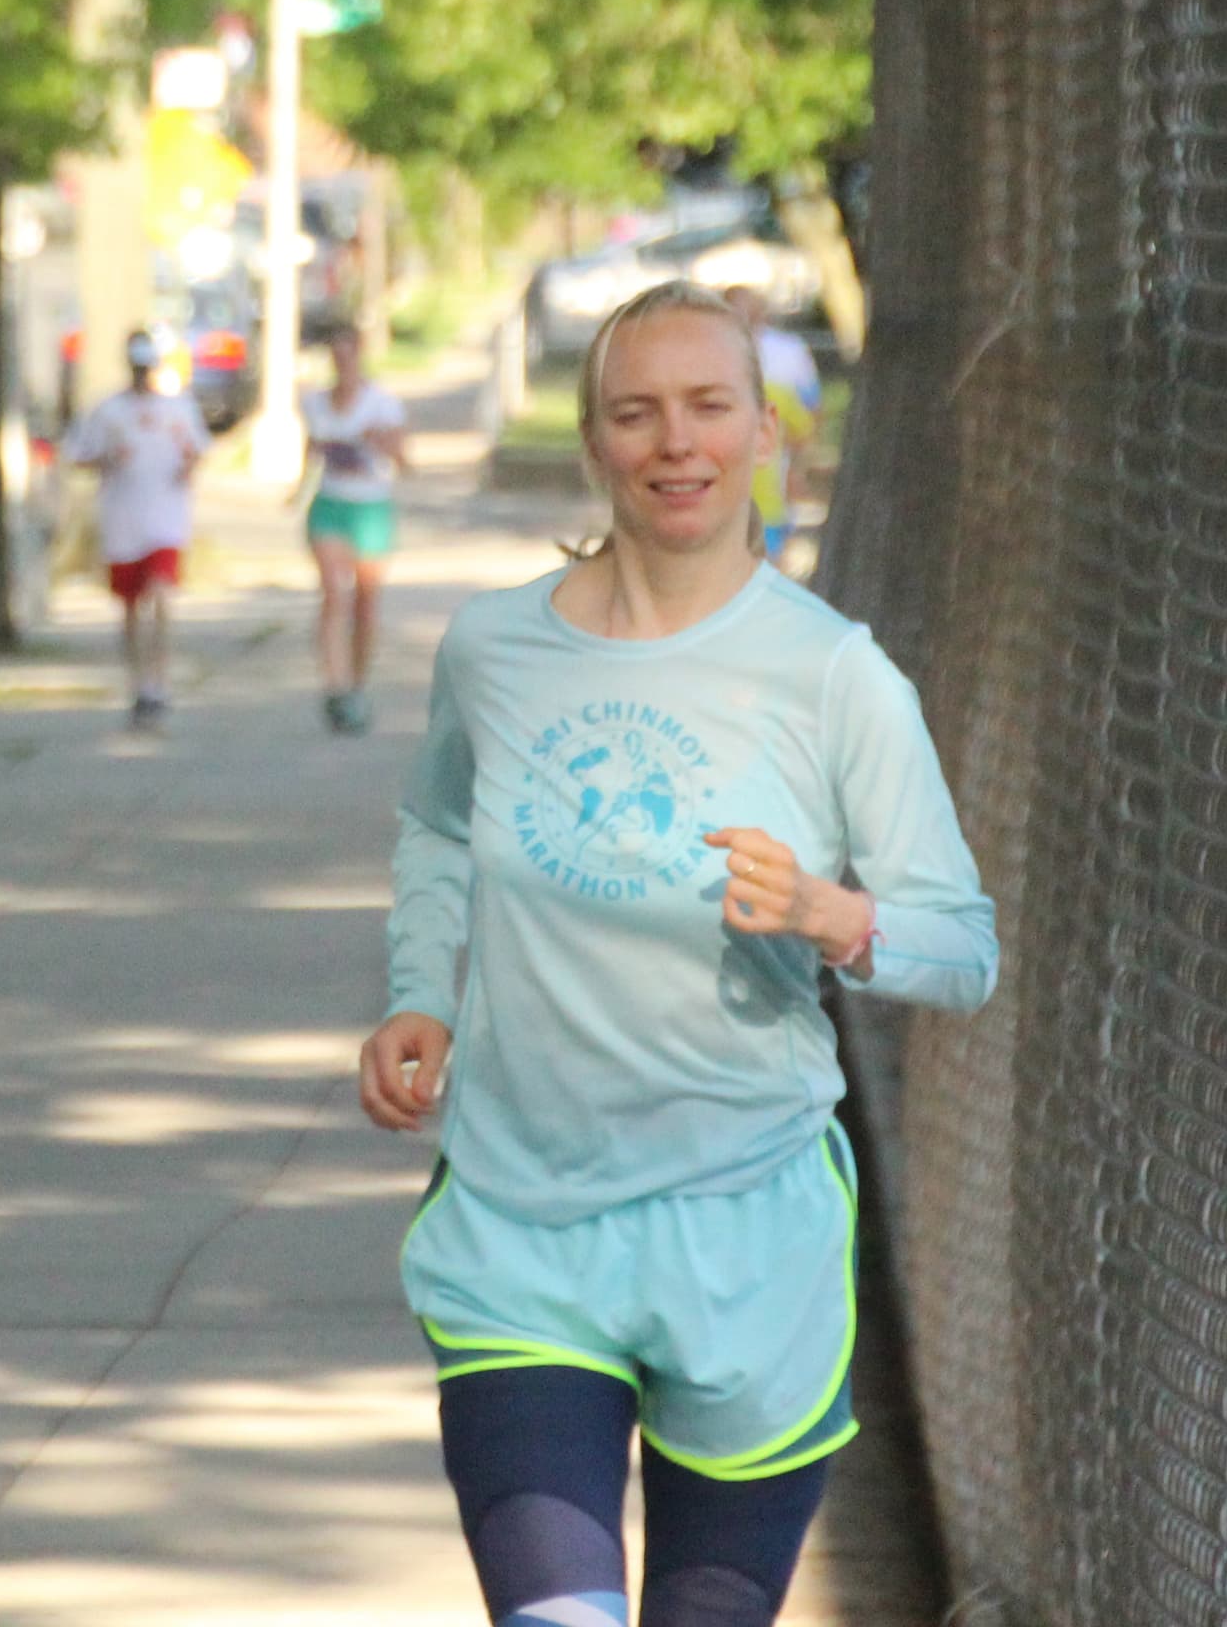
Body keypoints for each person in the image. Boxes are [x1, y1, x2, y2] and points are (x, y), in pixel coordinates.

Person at [357, 278, 994, 1627]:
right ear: (595, 444)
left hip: (746, 1234)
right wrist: (424, 993)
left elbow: (963, 948)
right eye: (636, 413)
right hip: (526, 1228)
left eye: (709, 407)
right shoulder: (495, 649)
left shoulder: (835, 676)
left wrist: (834, 915)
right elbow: (434, 825)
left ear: (767, 432)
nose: (675, 442)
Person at [65, 329, 208, 729]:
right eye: (137, 367)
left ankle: (159, 684)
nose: (143, 375)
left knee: (161, 595)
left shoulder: (178, 409)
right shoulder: (109, 412)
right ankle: (138, 685)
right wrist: (109, 458)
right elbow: (78, 454)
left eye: (148, 367)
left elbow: (199, 450)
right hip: (123, 519)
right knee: (130, 607)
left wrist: (188, 466)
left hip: (166, 518)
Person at [300, 321, 409, 735]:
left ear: (359, 355)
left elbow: (404, 461)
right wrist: (297, 488)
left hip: (371, 508)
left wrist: (382, 443)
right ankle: (336, 685)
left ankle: (357, 684)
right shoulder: (315, 403)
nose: (343, 362)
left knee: (366, 603)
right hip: (329, 505)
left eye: (349, 354)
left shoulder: (382, 404)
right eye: (336, 354)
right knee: (333, 593)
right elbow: (309, 451)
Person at [718, 286, 821, 565]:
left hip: (761, 497)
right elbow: (807, 422)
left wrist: (794, 469)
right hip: (740, 500)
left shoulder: (786, 358)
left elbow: (808, 419)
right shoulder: (780, 373)